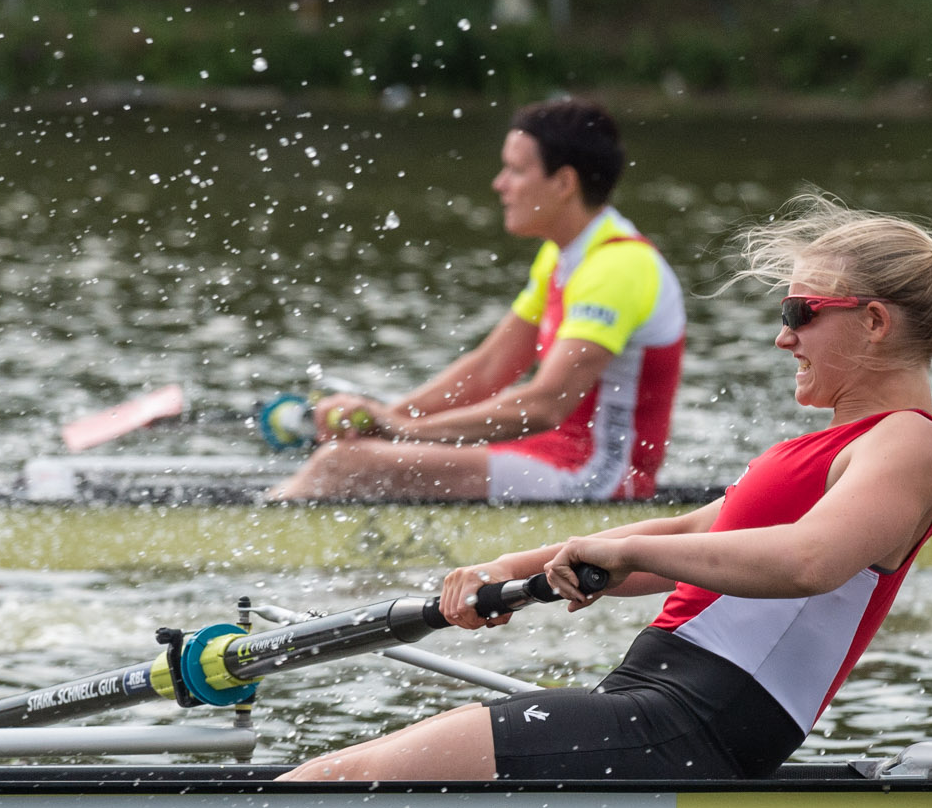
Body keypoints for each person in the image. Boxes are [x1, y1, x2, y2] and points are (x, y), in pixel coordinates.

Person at [281, 199, 932, 783]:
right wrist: (512, 568)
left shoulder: (913, 442)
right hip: (657, 709)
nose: (782, 338)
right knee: (363, 780)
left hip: (696, 722)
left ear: (876, 323)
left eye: (799, 315)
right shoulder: (823, 448)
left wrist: (620, 542)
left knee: (337, 780)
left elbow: (809, 562)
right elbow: (687, 543)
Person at [273, 99, 684, 504]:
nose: (499, 184)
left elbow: (545, 405)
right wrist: (383, 418)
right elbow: (487, 370)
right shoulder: (564, 255)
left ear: (563, 184)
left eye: (516, 170)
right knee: (351, 456)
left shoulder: (618, 268)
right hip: (547, 458)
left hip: (598, 479)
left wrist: (401, 430)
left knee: (344, 466)